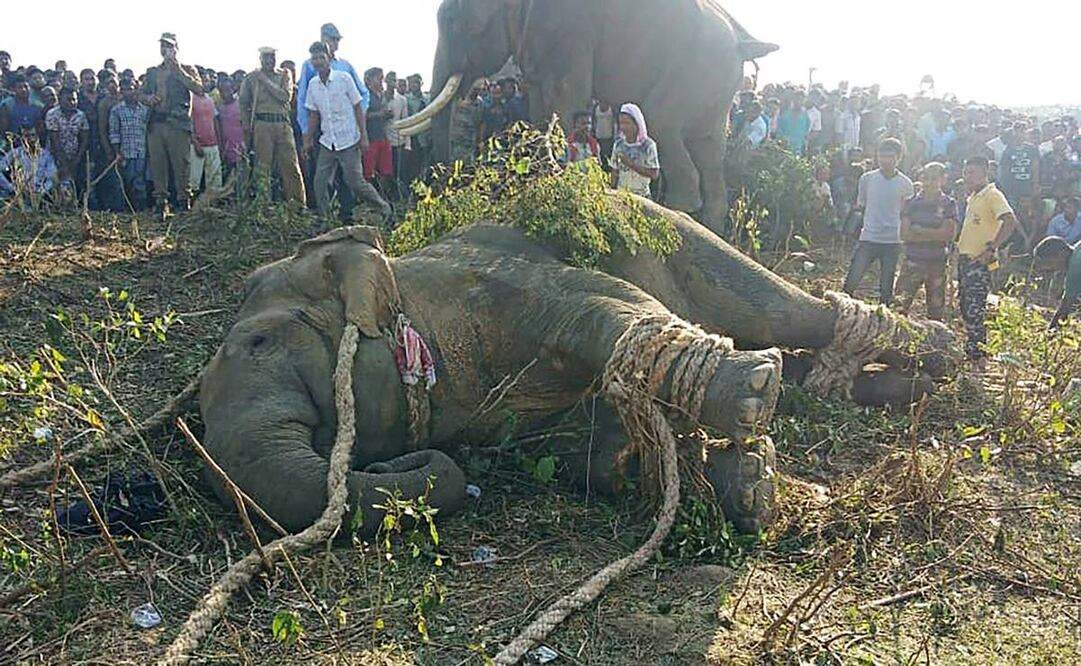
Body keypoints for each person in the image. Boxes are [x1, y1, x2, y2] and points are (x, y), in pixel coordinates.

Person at [302, 42, 391, 225]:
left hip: (348, 140)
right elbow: (313, 115)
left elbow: (358, 107)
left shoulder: (344, 79)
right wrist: (307, 139)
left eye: (321, 57)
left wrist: (364, 136)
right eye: (314, 58)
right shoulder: (313, 85)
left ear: (329, 58)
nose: (318, 62)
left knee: (355, 182)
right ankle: (325, 219)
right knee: (319, 183)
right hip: (327, 141)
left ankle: (384, 208)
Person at [956, 156, 1018, 361]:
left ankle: (978, 354)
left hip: (979, 262)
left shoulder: (992, 195)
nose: (967, 177)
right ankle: (973, 349)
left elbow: (1010, 220)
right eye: (965, 173)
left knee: (975, 307)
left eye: (972, 173)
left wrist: (992, 247)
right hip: (966, 260)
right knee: (965, 305)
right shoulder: (974, 196)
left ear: (985, 173)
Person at [842, 138, 914, 306]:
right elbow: (861, 205)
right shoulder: (867, 179)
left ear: (898, 158)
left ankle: (884, 315)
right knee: (852, 279)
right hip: (869, 236)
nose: (885, 160)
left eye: (890, 156)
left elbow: (906, 213)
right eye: (882, 156)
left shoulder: (906, 184)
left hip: (892, 240)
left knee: (886, 286)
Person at [142, 32, 203, 216]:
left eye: (169, 46)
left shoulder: (188, 69)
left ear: (176, 48)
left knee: (181, 166)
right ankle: (161, 203)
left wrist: (178, 71)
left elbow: (199, 89)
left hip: (177, 124)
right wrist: (148, 98)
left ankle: (184, 202)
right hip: (156, 124)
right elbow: (140, 93)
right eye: (163, 46)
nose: (165, 49)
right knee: (158, 166)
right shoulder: (152, 72)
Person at [239, 47, 306, 204]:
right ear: (260, 59)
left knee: (291, 166)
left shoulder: (284, 75)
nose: (269, 60)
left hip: (282, 124)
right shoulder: (251, 78)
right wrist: (246, 125)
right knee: (263, 168)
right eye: (266, 57)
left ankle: (297, 205)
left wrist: (264, 80)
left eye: (272, 57)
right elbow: (243, 102)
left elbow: (285, 96)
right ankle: (263, 204)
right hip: (262, 125)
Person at [894, 162, 957, 321]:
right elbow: (905, 234)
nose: (929, 182)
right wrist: (936, 234)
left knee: (935, 312)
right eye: (926, 178)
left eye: (934, 178)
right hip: (913, 261)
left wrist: (920, 230)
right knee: (898, 307)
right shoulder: (910, 203)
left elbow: (949, 234)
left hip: (937, 263)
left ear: (943, 180)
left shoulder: (948, 204)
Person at [296, 23, 369, 139]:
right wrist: (305, 129)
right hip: (319, 125)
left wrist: (357, 117)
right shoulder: (310, 65)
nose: (335, 42)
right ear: (323, 38)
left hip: (345, 129)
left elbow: (363, 93)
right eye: (332, 39)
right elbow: (302, 98)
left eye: (337, 40)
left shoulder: (345, 66)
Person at [109, 78, 150, 209]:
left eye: (130, 89)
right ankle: (128, 209)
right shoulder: (116, 110)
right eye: (124, 90)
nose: (127, 92)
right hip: (126, 152)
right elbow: (114, 133)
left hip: (142, 151)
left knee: (141, 181)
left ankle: (141, 210)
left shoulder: (144, 110)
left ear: (136, 90)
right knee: (128, 181)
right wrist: (117, 152)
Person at [998, 121, 1040, 245]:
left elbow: (1035, 167)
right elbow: (1004, 170)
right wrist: (1004, 188)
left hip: (1028, 187)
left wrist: (1036, 183)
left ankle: (1031, 240)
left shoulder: (1032, 149)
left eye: (1022, 130)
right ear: (1014, 132)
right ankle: (1017, 240)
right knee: (1014, 214)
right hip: (1012, 188)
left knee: (1030, 214)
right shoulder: (1008, 150)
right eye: (1017, 130)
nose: (1020, 133)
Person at [44, 87, 89, 201]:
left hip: (74, 156)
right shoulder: (52, 114)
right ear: (60, 99)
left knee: (72, 186)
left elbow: (84, 139)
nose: (72, 102)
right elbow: (54, 141)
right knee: (55, 184)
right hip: (54, 157)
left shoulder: (81, 115)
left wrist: (76, 160)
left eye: (74, 99)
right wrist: (64, 163)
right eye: (69, 99)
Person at [609, 103, 660, 198]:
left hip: (642, 196)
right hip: (622, 195)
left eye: (626, 123)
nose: (623, 127)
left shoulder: (648, 145)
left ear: (637, 123)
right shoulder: (618, 144)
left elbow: (654, 174)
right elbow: (614, 171)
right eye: (621, 123)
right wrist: (612, 191)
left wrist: (631, 164)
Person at [361, 67, 395, 199]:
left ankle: (383, 197)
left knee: (386, 170)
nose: (382, 81)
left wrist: (386, 115)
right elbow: (361, 115)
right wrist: (379, 114)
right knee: (369, 171)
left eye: (382, 78)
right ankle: (370, 198)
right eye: (379, 78)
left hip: (382, 136)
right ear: (369, 79)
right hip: (370, 138)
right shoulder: (365, 96)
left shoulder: (381, 95)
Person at [1033, 235, 1081, 328]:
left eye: (1049, 263)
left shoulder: (1075, 268)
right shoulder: (1078, 247)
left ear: (1061, 254)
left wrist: (1050, 331)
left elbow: (1065, 308)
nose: (1050, 268)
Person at [189, 71, 222, 198]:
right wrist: (195, 142)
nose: (205, 84)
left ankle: (212, 205)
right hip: (196, 145)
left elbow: (215, 121)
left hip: (212, 144)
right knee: (194, 181)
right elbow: (188, 123)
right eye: (203, 81)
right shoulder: (191, 99)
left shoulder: (210, 99)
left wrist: (219, 142)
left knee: (215, 180)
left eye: (207, 81)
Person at [216, 74, 246, 184]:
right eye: (222, 91)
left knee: (243, 182)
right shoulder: (219, 108)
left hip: (242, 151)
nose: (225, 93)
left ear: (233, 89)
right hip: (227, 152)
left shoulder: (241, 106)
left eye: (228, 90)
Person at [383, 71, 409, 197]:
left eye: (394, 80)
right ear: (385, 81)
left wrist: (407, 143)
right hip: (382, 138)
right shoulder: (380, 97)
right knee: (384, 169)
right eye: (390, 80)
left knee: (396, 169)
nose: (392, 83)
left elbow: (405, 120)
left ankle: (396, 195)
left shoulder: (402, 100)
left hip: (397, 140)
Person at [449, 82, 483, 165]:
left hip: (469, 142)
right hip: (455, 140)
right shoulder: (456, 99)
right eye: (474, 89)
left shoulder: (479, 103)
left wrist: (480, 141)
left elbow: (480, 123)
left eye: (478, 90)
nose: (475, 92)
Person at [592, 100, 616, 170]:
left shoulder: (612, 109)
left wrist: (614, 135)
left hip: (609, 137)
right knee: (600, 155)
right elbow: (594, 122)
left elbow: (614, 123)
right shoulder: (595, 109)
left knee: (608, 155)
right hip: (598, 137)